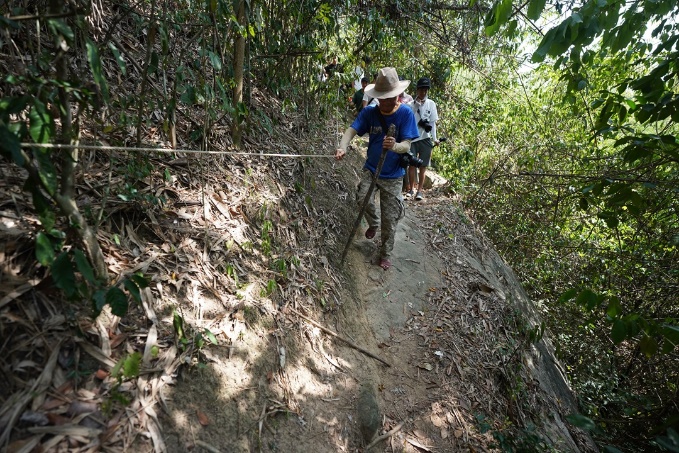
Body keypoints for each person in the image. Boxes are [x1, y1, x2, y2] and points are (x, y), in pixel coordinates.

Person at [335, 67, 419, 270]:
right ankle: (373, 223)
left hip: (394, 175)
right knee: (362, 198)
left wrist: (395, 146)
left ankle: (385, 253)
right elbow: (352, 130)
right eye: (382, 98)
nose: (386, 101)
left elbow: (407, 144)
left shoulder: (405, 114)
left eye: (390, 97)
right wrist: (342, 147)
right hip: (371, 169)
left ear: (398, 95)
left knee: (390, 220)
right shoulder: (369, 112)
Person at [406, 77, 439, 201]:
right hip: (412, 138)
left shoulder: (431, 104)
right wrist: (416, 106)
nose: (423, 93)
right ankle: (410, 189)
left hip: (425, 138)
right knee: (412, 165)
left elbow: (432, 123)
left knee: (423, 166)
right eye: (421, 90)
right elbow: (408, 119)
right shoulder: (410, 105)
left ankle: (419, 191)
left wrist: (435, 139)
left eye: (425, 90)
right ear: (417, 90)